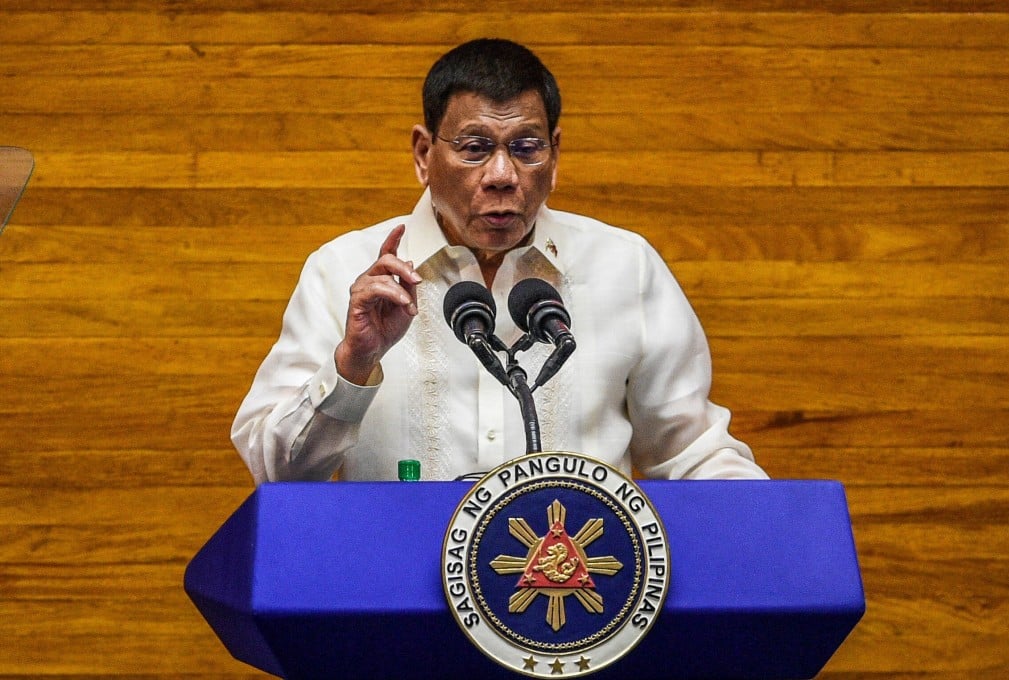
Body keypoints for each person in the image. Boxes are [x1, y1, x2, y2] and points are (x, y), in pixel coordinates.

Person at [232, 38, 768, 484]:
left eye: (527, 147)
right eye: (474, 147)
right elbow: (275, 471)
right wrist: (353, 361)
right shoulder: (341, 271)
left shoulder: (624, 268)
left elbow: (693, 452)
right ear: (423, 155)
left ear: (554, 156)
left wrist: (779, 538)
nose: (502, 174)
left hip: (573, 595)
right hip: (394, 596)